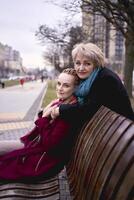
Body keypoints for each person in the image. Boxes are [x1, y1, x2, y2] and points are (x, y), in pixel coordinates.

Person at [0, 68, 79, 181]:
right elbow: (41, 129)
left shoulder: (66, 112)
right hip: (35, 149)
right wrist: (44, 114)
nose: (60, 88)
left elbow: (49, 145)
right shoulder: (60, 103)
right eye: (59, 83)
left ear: (75, 88)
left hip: (42, 162)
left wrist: (44, 118)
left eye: (66, 86)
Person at [50, 43, 134, 128]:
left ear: (96, 64)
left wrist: (60, 110)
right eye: (78, 63)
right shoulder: (87, 79)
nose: (81, 68)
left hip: (122, 131)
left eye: (87, 64)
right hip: (107, 127)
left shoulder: (105, 79)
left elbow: (89, 109)